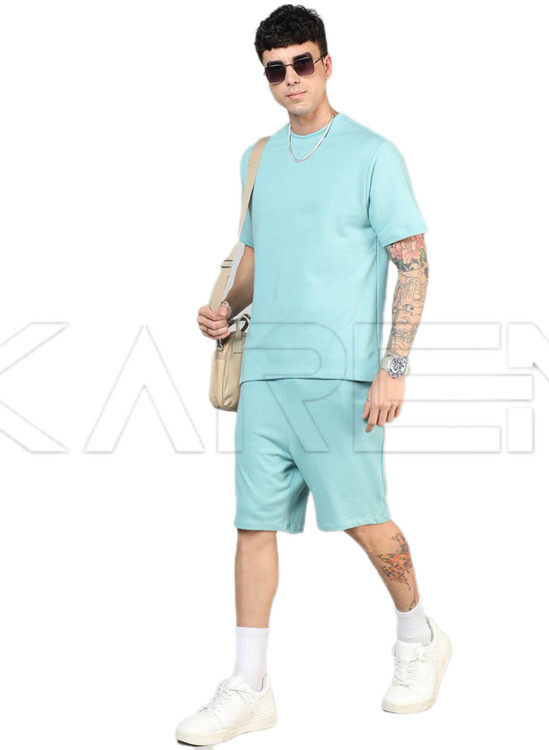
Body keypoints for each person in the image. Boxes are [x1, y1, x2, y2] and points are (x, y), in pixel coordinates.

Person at [179, 4, 451, 745]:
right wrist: (224, 307)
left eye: (302, 62)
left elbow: (414, 263)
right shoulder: (258, 158)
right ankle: (249, 686)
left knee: (366, 522)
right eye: (276, 69)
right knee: (253, 526)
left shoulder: (373, 154)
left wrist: (394, 367)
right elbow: (256, 256)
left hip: (342, 378)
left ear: (327, 63)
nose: (290, 79)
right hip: (265, 374)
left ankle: (419, 637)